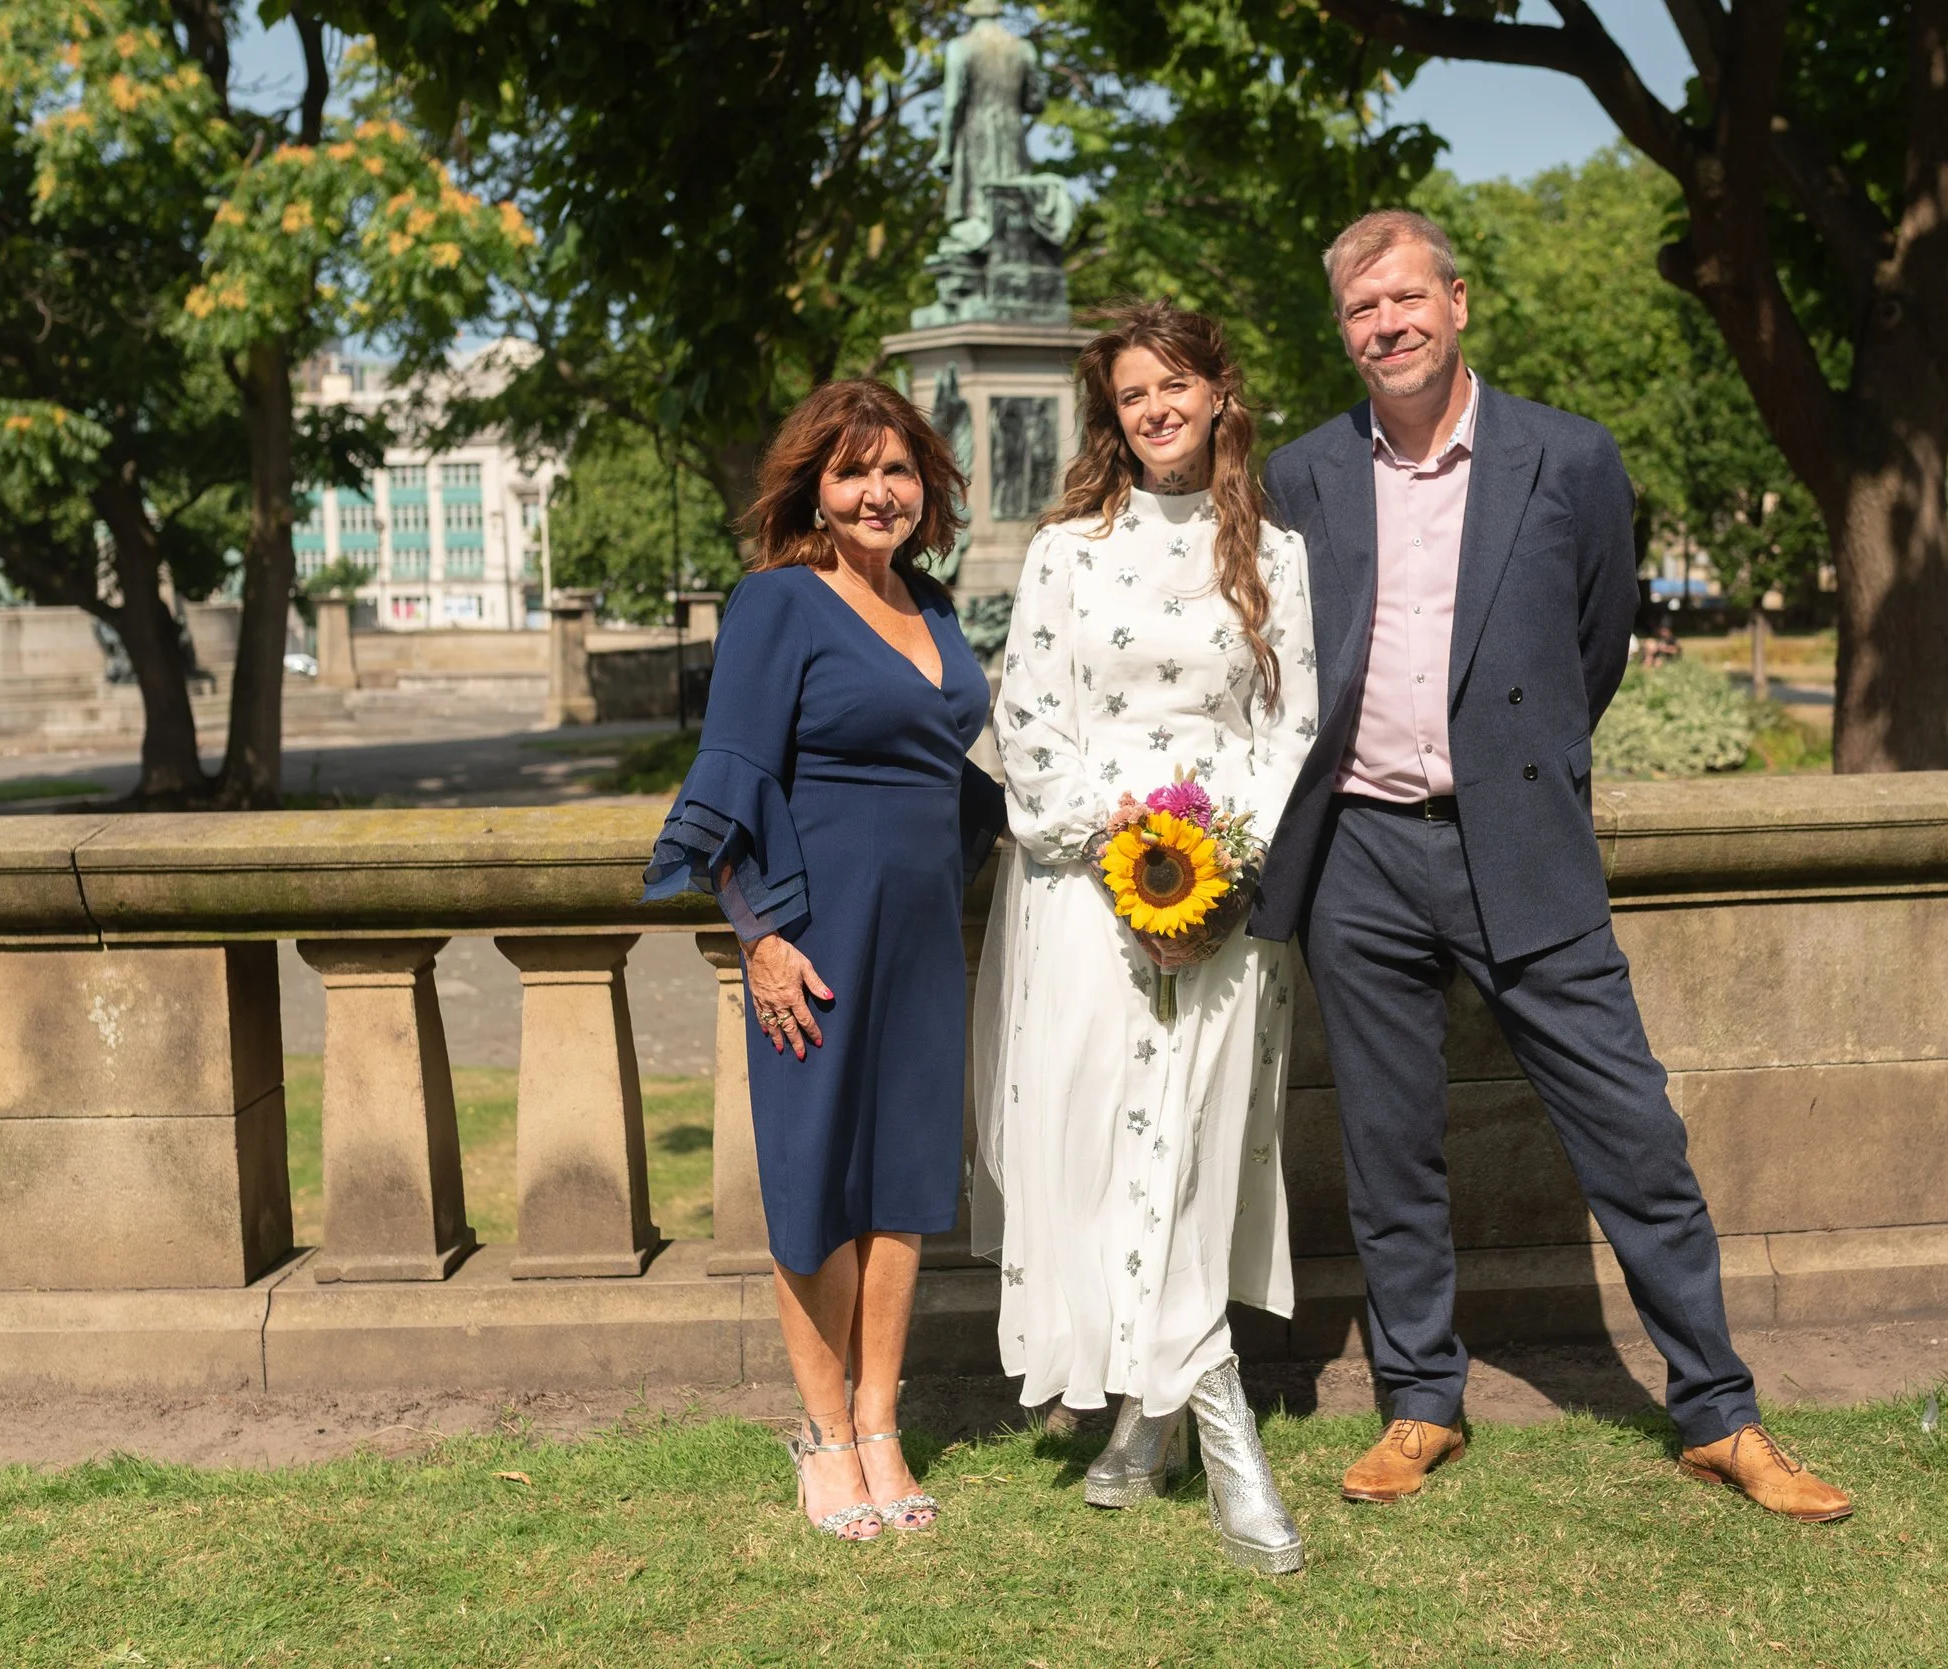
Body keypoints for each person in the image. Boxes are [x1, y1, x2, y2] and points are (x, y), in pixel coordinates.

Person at [1250, 210, 1852, 1523]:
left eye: (1406, 298)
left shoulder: (1570, 459)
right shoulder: (1301, 476)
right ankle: (1421, 1402)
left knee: (1635, 1137)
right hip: (1358, 856)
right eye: (1361, 310)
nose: (1387, 325)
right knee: (1391, 1146)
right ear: (1343, 331)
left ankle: (1720, 1414)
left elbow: (1595, 647)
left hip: (1518, 844)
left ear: (1458, 303)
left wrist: (1508, 771)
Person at [972, 300, 1321, 1573]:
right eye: (1132, 396)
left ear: (1220, 393)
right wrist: (1120, 863)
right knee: (1104, 1148)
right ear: (1110, 418)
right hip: (1086, 896)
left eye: (1175, 385)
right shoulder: (1068, 549)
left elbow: (1290, 729)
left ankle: (1158, 1416)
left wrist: (1222, 870)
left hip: (1224, 903)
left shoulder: (1274, 555)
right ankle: (1215, 1427)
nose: (1156, 409)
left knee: (1191, 1150)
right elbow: (1030, 721)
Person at [643, 379, 1002, 1541]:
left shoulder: (935, 607)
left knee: (901, 1189)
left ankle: (882, 1422)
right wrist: (761, 940)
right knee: (814, 1192)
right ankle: (823, 1438)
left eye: (897, 471)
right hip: (815, 938)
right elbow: (733, 771)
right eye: (853, 473)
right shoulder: (778, 604)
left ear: (925, 487)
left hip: (920, 938)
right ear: (814, 487)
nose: (878, 492)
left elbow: (952, 777)